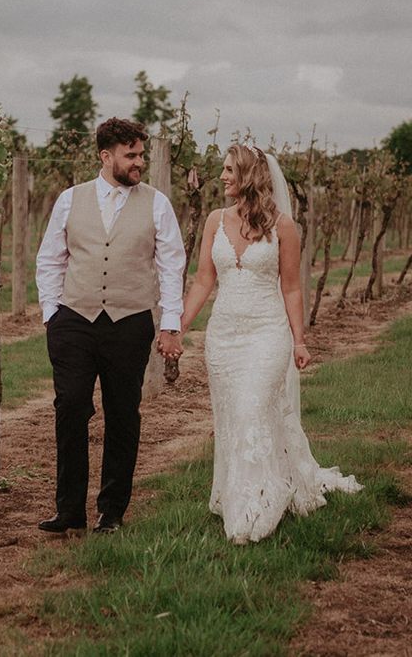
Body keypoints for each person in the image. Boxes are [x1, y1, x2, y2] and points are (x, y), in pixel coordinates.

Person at [180, 143, 362, 544]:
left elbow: (292, 288)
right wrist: (179, 326)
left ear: (249, 176)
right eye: (223, 169)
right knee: (233, 418)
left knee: (252, 410)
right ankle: (242, 490)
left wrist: (299, 340)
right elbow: (203, 280)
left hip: (267, 333)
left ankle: (258, 503)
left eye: (230, 170)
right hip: (224, 336)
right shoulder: (214, 220)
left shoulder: (284, 227)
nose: (223, 176)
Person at [35, 117, 186, 535]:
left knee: (123, 415)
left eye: (142, 154)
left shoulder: (156, 203)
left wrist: (169, 322)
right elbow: (50, 258)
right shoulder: (70, 199)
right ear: (106, 156)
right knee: (70, 408)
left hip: (129, 321)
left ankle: (112, 511)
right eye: (131, 155)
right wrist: (53, 314)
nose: (139, 162)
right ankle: (69, 510)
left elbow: (172, 265)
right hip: (74, 320)